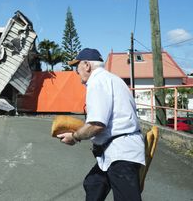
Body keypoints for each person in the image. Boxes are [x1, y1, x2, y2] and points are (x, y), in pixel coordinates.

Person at [57, 48, 145, 201]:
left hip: (121, 153)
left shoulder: (96, 81)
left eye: (76, 66)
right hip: (117, 149)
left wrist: (74, 137)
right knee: (93, 184)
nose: (76, 71)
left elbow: (97, 124)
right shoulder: (112, 78)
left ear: (86, 65)